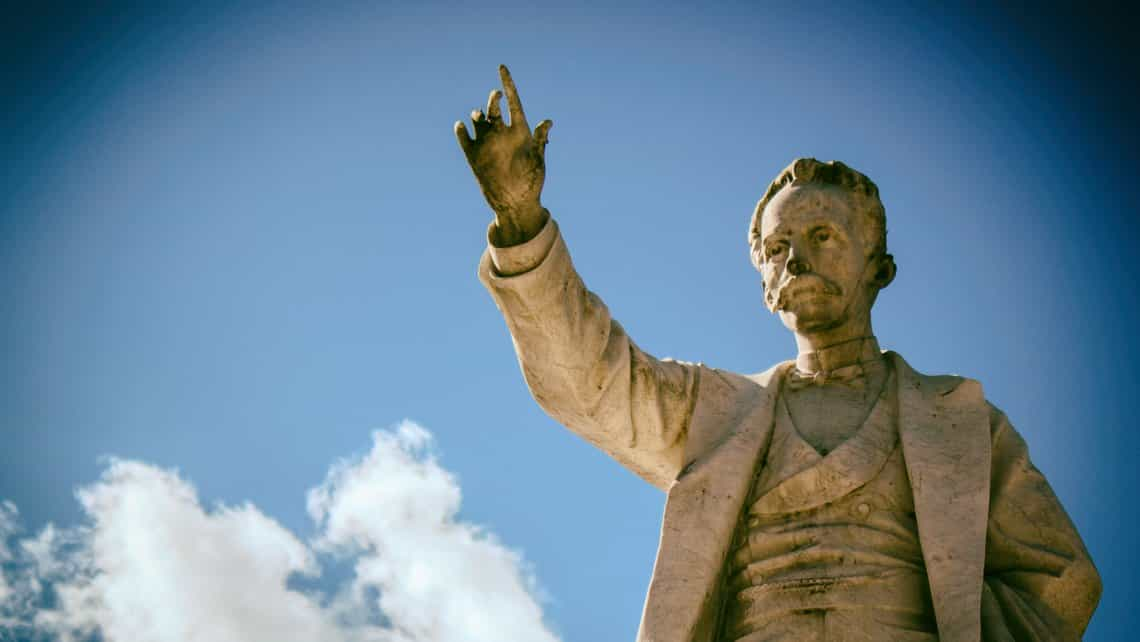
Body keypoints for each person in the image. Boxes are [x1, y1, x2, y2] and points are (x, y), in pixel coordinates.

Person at [456, 65, 1100, 642]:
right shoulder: (714, 409)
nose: (796, 257)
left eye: (823, 235)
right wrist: (521, 221)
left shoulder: (961, 421)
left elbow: (1059, 579)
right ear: (765, 285)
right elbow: (589, 381)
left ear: (881, 266)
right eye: (778, 245)